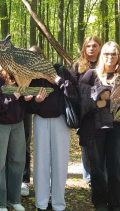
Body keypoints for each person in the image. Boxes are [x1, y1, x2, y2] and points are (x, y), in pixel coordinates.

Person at [26, 47, 79, 211]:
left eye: (36, 57)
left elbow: (74, 93)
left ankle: (58, 204)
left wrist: (58, 80)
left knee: (60, 162)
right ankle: (41, 203)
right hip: (41, 121)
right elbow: (28, 107)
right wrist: (36, 101)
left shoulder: (61, 70)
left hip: (61, 122)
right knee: (40, 162)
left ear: (43, 56)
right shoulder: (32, 77)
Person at [0, 59, 29, 211]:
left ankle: (14, 199)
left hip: (17, 123)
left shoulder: (19, 75)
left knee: (17, 161)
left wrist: (26, 99)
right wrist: (12, 97)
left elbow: (22, 101)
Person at [79, 41, 120, 211]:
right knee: (96, 168)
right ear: (101, 55)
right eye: (106, 53)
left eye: (113, 54)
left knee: (115, 167)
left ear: (118, 56)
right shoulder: (91, 75)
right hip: (94, 129)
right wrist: (98, 102)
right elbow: (79, 101)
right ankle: (100, 202)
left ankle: (116, 202)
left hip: (117, 129)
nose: (109, 57)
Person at [70, 36, 102, 188]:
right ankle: (89, 176)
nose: (91, 48)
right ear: (84, 48)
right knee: (86, 144)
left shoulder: (106, 64)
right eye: (88, 46)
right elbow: (70, 87)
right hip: (83, 112)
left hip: (103, 112)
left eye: (94, 45)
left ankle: (102, 175)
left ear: (100, 47)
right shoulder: (77, 66)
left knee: (103, 144)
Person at [21, 46, 47, 197]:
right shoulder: (21, 70)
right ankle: (12, 179)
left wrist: (36, 100)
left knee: (25, 145)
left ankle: (25, 180)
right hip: (16, 111)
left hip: (36, 113)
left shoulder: (46, 72)